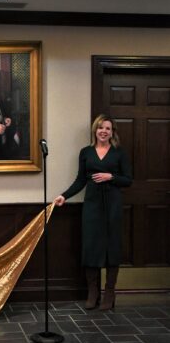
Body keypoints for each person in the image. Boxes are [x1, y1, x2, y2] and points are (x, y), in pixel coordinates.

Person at [54, 115, 132, 311]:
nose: (104, 131)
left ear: (112, 132)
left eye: (108, 128)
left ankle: (110, 293)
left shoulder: (119, 153)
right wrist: (64, 196)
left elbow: (128, 180)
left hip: (113, 205)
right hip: (92, 205)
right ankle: (93, 292)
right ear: (95, 130)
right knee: (91, 246)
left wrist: (110, 176)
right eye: (100, 128)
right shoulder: (86, 152)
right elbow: (80, 180)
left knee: (112, 246)